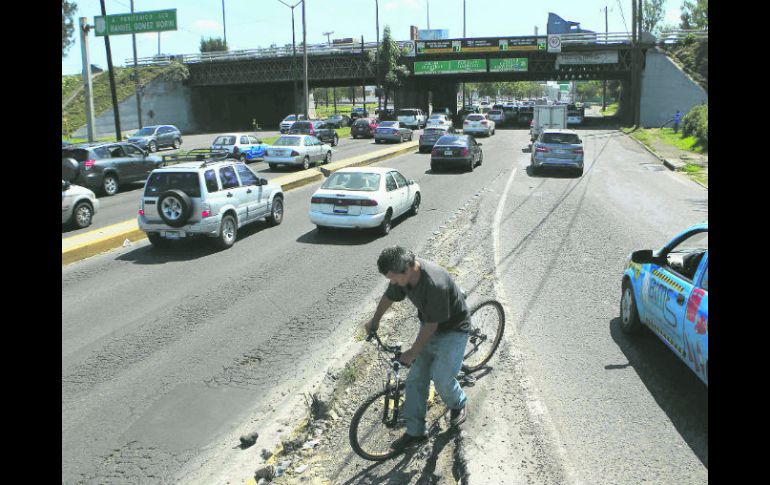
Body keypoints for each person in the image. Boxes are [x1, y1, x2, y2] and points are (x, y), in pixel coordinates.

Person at [365, 246, 470, 453]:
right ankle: (415, 432)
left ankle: (458, 403)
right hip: (430, 323)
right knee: (415, 379)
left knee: (441, 378)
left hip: (453, 330)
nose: (392, 282)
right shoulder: (403, 276)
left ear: (407, 270)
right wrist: (374, 321)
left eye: (393, 278)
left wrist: (413, 352)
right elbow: (389, 297)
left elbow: (433, 326)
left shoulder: (434, 283)